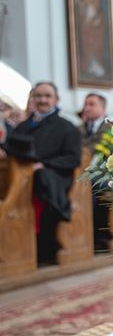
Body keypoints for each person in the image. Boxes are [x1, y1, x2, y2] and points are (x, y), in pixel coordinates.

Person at [1, 82, 82, 265]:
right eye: (38, 96)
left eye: (47, 96)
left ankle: (45, 247)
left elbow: (73, 159)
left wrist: (44, 165)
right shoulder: (24, 125)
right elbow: (15, 146)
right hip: (23, 175)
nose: (42, 100)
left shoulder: (67, 127)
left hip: (55, 177)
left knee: (41, 179)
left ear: (56, 99)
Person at [79, 93, 113, 251]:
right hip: (82, 172)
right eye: (86, 104)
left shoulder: (112, 129)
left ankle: (99, 235)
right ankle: (80, 234)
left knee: (93, 187)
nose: (87, 108)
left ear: (103, 108)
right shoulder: (79, 129)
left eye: (92, 104)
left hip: (106, 174)